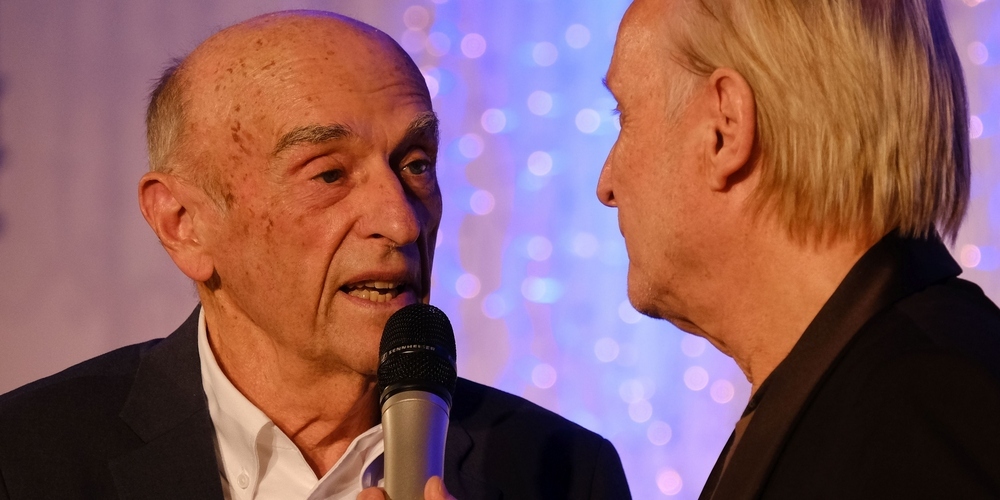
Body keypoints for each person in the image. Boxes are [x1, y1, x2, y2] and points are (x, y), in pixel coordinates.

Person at [0, 11, 631, 500]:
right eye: (329, 174)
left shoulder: (563, 472)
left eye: (416, 164)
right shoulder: (25, 460)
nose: (400, 221)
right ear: (184, 224)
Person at [598, 0, 1000, 498]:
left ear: (724, 128)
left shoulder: (923, 414)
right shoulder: (889, 391)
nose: (606, 184)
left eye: (624, 116)